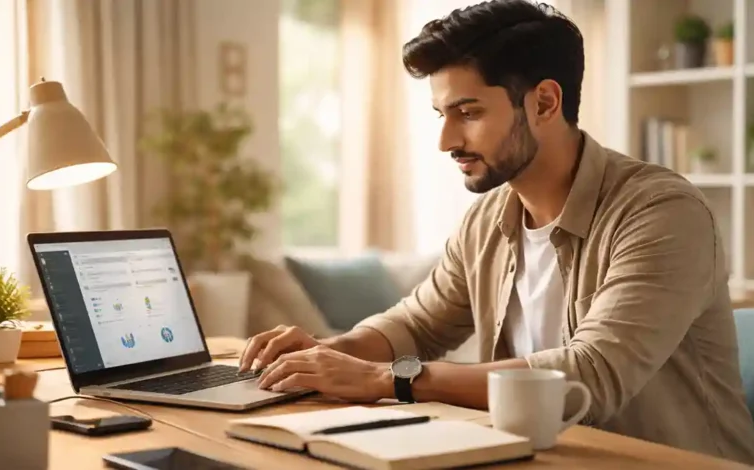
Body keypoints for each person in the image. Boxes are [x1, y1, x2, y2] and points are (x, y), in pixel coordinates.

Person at [240, 0, 754, 464]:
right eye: (442, 115)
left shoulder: (661, 211)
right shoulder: (489, 219)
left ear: (545, 103)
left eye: (468, 113)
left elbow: (591, 374)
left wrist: (384, 380)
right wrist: (326, 354)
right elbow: (418, 324)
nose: (446, 140)